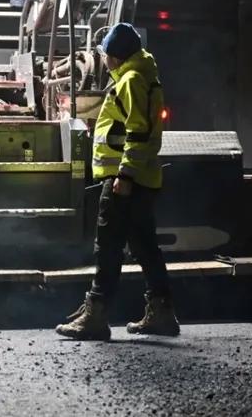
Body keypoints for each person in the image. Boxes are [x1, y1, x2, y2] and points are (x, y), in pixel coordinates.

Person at [56, 23, 178, 340]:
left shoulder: (131, 81)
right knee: (144, 246)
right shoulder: (141, 76)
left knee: (108, 247)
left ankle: (95, 316)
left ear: (116, 55)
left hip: (125, 180)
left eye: (107, 54)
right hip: (140, 178)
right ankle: (161, 312)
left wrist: (124, 175)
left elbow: (137, 132)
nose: (104, 59)